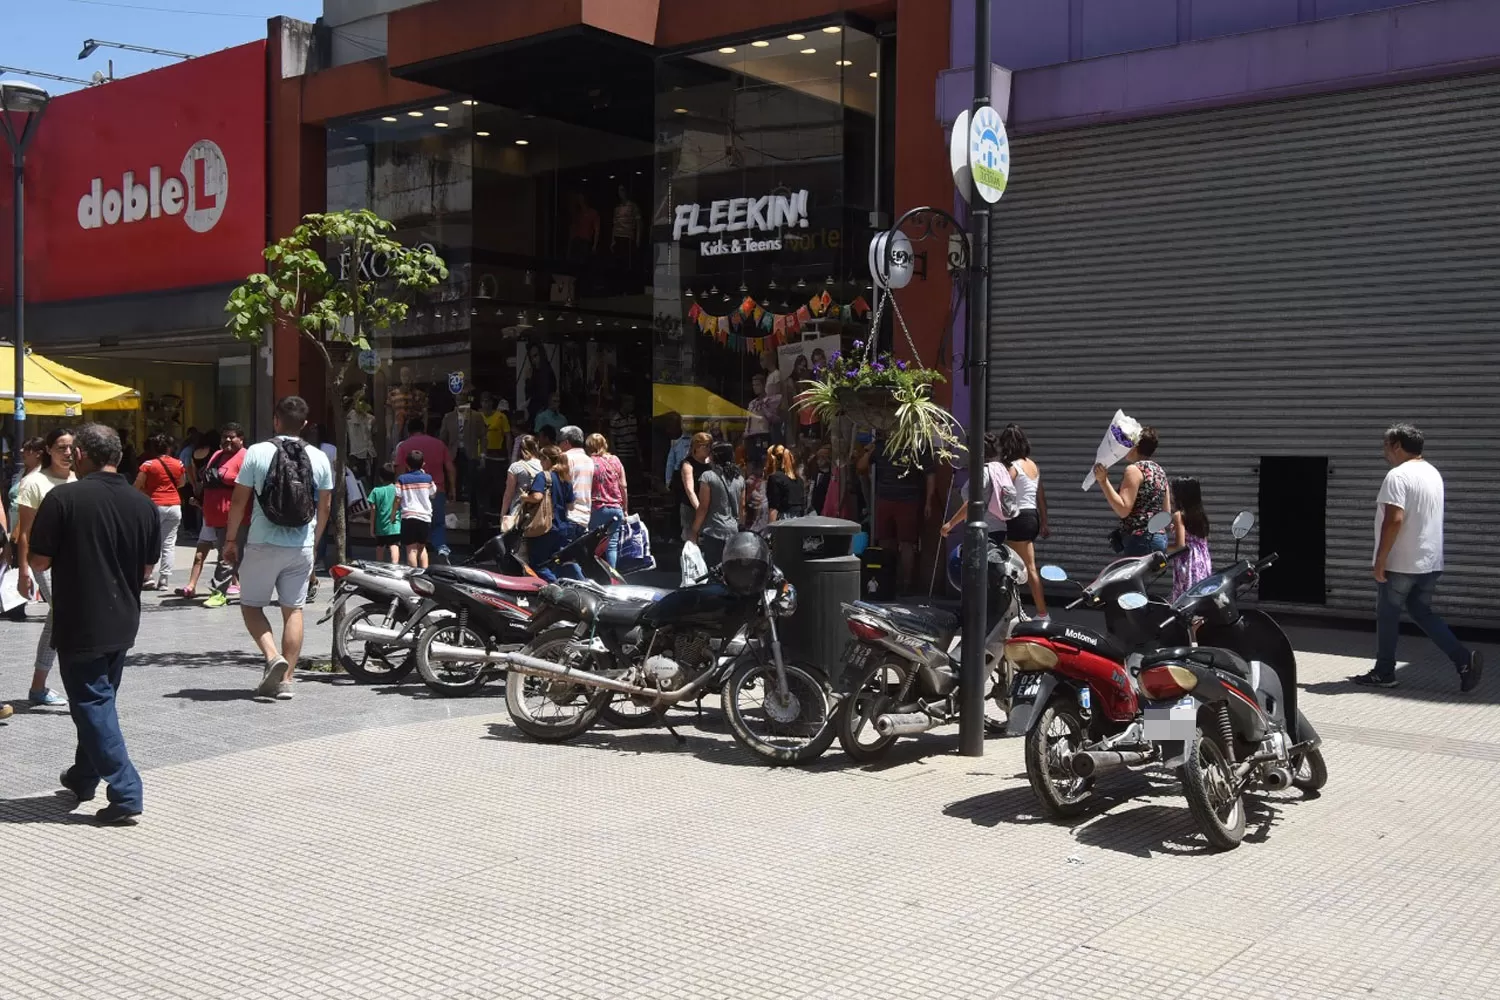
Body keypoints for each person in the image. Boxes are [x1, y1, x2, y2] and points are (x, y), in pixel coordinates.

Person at [28, 424, 159, 825]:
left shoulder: (63, 498)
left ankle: (125, 790)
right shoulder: (143, 504)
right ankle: (83, 777)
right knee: (99, 702)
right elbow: (148, 568)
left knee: (91, 703)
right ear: (118, 456)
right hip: (123, 620)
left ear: (81, 454)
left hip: (81, 619)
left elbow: (38, 562)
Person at [1353, 423, 1482, 691]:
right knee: (1421, 612)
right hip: (1429, 562)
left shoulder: (1398, 476)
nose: (1384, 451)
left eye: (1386, 445)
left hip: (1401, 563)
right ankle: (1463, 660)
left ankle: (1384, 672)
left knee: (1387, 616)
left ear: (1397, 445)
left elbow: (1394, 519)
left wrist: (1380, 560)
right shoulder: (1433, 473)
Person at [223, 396, 334, 703]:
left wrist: (231, 540)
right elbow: (324, 506)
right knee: (294, 609)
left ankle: (273, 656)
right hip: (301, 545)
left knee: (250, 605)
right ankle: (286, 681)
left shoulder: (257, 451)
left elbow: (239, 500)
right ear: (306, 425)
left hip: (262, 541)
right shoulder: (320, 457)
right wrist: (315, 541)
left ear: (275, 420)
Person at [14, 428, 77, 708]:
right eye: (60, 447)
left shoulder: (80, 479)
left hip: (75, 560)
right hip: (44, 561)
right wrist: (24, 572)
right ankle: (55, 684)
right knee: (62, 612)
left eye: (70, 447)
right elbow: (24, 532)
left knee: (58, 616)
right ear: (48, 450)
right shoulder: (35, 482)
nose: (67, 452)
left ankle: (39, 686)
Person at [872, 436, 937, 594]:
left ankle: (905, 584)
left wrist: (929, 502)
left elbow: (930, 474)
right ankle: (886, 579)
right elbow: (863, 466)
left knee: (906, 543)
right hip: (885, 499)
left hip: (908, 501)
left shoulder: (918, 445)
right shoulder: (881, 445)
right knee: (885, 541)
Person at [192, 424, 247, 606]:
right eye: (225, 437)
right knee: (227, 553)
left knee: (228, 554)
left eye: (232, 437)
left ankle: (219, 592)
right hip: (215, 516)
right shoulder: (217, 455)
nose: (228, 440)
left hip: (236, 517)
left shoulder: (245, 457)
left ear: (241, 439)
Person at [1094, 426, 1170, 556]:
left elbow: (1123, 509)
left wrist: (1103, 481)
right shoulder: (1160, 471)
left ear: (1134, 446)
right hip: (1159, 540)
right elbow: (1166, 512)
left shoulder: (1134, 470)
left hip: (1140, 540)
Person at [1000, 423, 1050, 619]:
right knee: (1022, 566)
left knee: (1018, 567)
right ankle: (1029, 611)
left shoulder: (1014, 468)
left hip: (1018, 519)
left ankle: (1041, 613)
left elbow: (1003, 492)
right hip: (1032, 517)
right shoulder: (1033, 466)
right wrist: (1044, 523)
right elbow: (1041, 497)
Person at [395, 416, 456, 558]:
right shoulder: (439, 444)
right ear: (424, 430)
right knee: (438, 522)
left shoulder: (404, 446)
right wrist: (452, 488)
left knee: (413, 521)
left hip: (411, 491)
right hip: (437, 489)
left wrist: (398, 489)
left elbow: (399, 470)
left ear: (409, 431)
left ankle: (413, 549)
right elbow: (450, 468)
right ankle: (441, 547)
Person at [134, 433, 188, 592]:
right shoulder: (179, 464)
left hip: (154, 505)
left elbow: (136, 486)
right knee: (169, 544)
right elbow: (182, 483)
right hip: (174, 505)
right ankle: (164, 580)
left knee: (149, 541)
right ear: (170, 448)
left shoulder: (148, 465)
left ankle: (147, 576)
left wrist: (147, 490)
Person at [941, 432, 1012, 548]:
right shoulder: (999, 469)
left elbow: (972, 503)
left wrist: (950, 524)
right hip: (998, 528)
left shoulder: (983, 473)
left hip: (984, 530)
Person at [525, 445, 580, 582]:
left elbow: (537, 497)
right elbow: (571, 506)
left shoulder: (543, 476)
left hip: (545, 528)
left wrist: (524, 497)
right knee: (556, 563)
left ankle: (556, 588)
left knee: (537, 565)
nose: (540, 463)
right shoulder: (565, 478)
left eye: (541, 460)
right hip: (562, 527)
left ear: (547, 460)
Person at [689, 441, 747, 569]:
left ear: (714, 457)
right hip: (734, 531)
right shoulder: (740, 479)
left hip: (714, 530)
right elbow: (742, 507)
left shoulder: (707, 477)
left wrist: (694, 531)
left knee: (714, 570)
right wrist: (740, 526)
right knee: (731, 570)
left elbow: (703, 507)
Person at [586, 433, 627, 568]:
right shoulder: (615, 460)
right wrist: (625, 508)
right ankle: (613, 578)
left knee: (591, 543)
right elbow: (623, 486)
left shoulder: (589, 462)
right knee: (612, 545)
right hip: (616, 508)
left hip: (597, 508)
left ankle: (592, 574)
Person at [1169, 476, 1213, 602]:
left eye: (1173, 492)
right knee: (1198, 595)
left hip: (1188, 561)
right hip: (1202, 561)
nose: (1172, 495)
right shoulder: (1200, 514)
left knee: (1185, 598)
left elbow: (1180, 546)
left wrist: (1161, 548)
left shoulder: (1179, 515)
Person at [396, 450, 438, 568]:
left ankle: (413, 576)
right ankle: (425, 574)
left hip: (408, 517)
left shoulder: (402, 479)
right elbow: (433, 493)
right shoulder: (428, 478)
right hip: (424, 517)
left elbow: (398, 498)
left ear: (407, 465)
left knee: (411, 549)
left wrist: (393, 513)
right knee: (422, 548)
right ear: (423, 464)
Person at [502, 435, 544, 530]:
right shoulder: (543, 465)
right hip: (539, 513)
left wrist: (503, 514)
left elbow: (509, 494)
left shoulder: (515, 467)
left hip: (519, 512)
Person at [677, 432, 712, 540]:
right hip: (691, 508)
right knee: (691, 539)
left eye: (710, 446)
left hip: (708, 508)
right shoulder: (687, 464)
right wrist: (699, 509)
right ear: (696, 447)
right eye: (706, 446)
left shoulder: (710, 463)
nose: (709, 449)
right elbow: (689, 490)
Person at [558, 425, 593, 531]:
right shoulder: (589, 460)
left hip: (568, 515)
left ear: (566, 442)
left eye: (559, 442)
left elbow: (561, 487)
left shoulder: (565, 458)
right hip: (585, 516)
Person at [366, 463, 401, 563]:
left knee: (380, 546)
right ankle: (395, 566)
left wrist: (372, 527)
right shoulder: (397, 490)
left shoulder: (376, 491)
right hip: (395, 525)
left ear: (381, 478)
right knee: (394, 546)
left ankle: (379, 565)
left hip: (380, 525)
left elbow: (373, 510)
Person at [764, 444, 806, 522]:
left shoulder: (775, 478)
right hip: (799, 521)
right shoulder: (799, 480)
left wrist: (771, 531)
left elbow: (774, 508)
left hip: (783, 521)